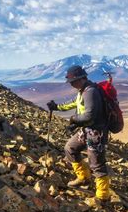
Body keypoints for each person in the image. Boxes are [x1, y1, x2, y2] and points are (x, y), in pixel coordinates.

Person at [47, 65, 111, 201]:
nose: (71, 85)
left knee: (96, 164)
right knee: (70, 148)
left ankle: (103, 196)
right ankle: (83, 178)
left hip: (96, 133)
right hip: (86, 130)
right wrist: (57, 107)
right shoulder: (82, 90)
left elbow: (89, 116)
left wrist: (73, 120)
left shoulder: (90, 92)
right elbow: (74, 103)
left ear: (80, 79)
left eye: (72, 82)